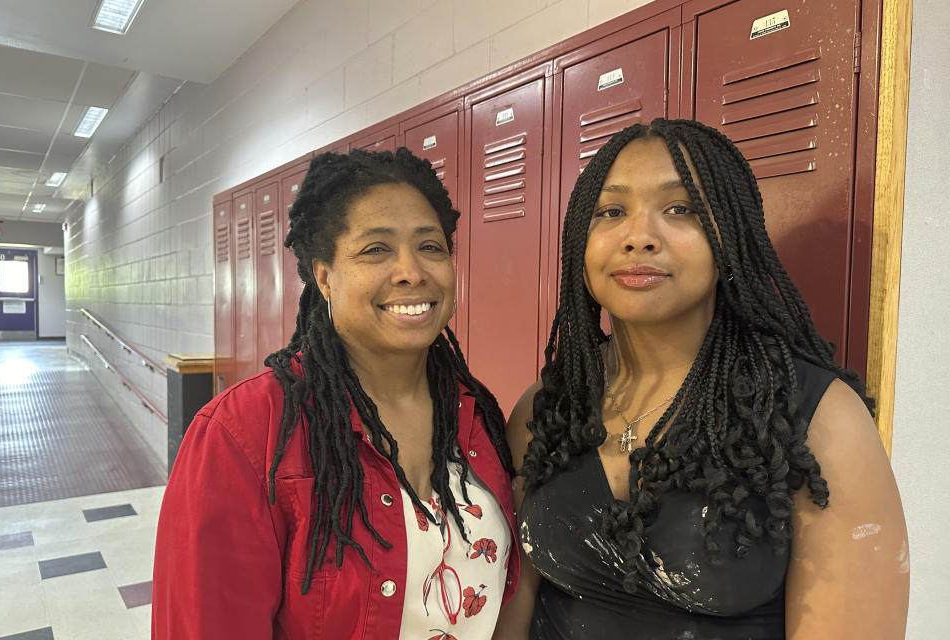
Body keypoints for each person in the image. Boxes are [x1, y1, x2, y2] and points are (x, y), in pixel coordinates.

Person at [493, 119, 908, 639]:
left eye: (680, 209)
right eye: (612, 212)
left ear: (728, 239)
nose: (639, 238)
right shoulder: (548, 408)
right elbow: (518, 601)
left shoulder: (812, 418)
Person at [152, 148, 520, 639]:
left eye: (430, 247)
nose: (412, 271)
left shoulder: (475, 414)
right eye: (376, 250)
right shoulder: (243, 434)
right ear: (324, 275)